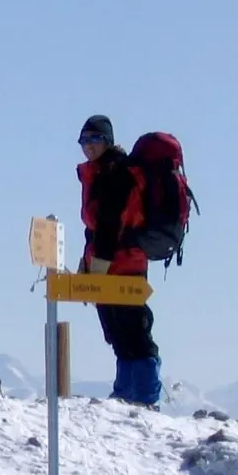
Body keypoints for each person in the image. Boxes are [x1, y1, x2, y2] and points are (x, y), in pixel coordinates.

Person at [75, 114, 163, 408]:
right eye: (84, 140)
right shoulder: (98, 173)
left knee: (133, 330)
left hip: (123, 264)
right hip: (111, 263)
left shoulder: (116, 173)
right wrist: (87, 263)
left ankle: (145, 396)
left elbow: (113, 223)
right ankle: (127, 394)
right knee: (118, 332)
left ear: (108, 141)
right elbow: (95, 227)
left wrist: (97, 263)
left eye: (94, 139)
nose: (88, 146)